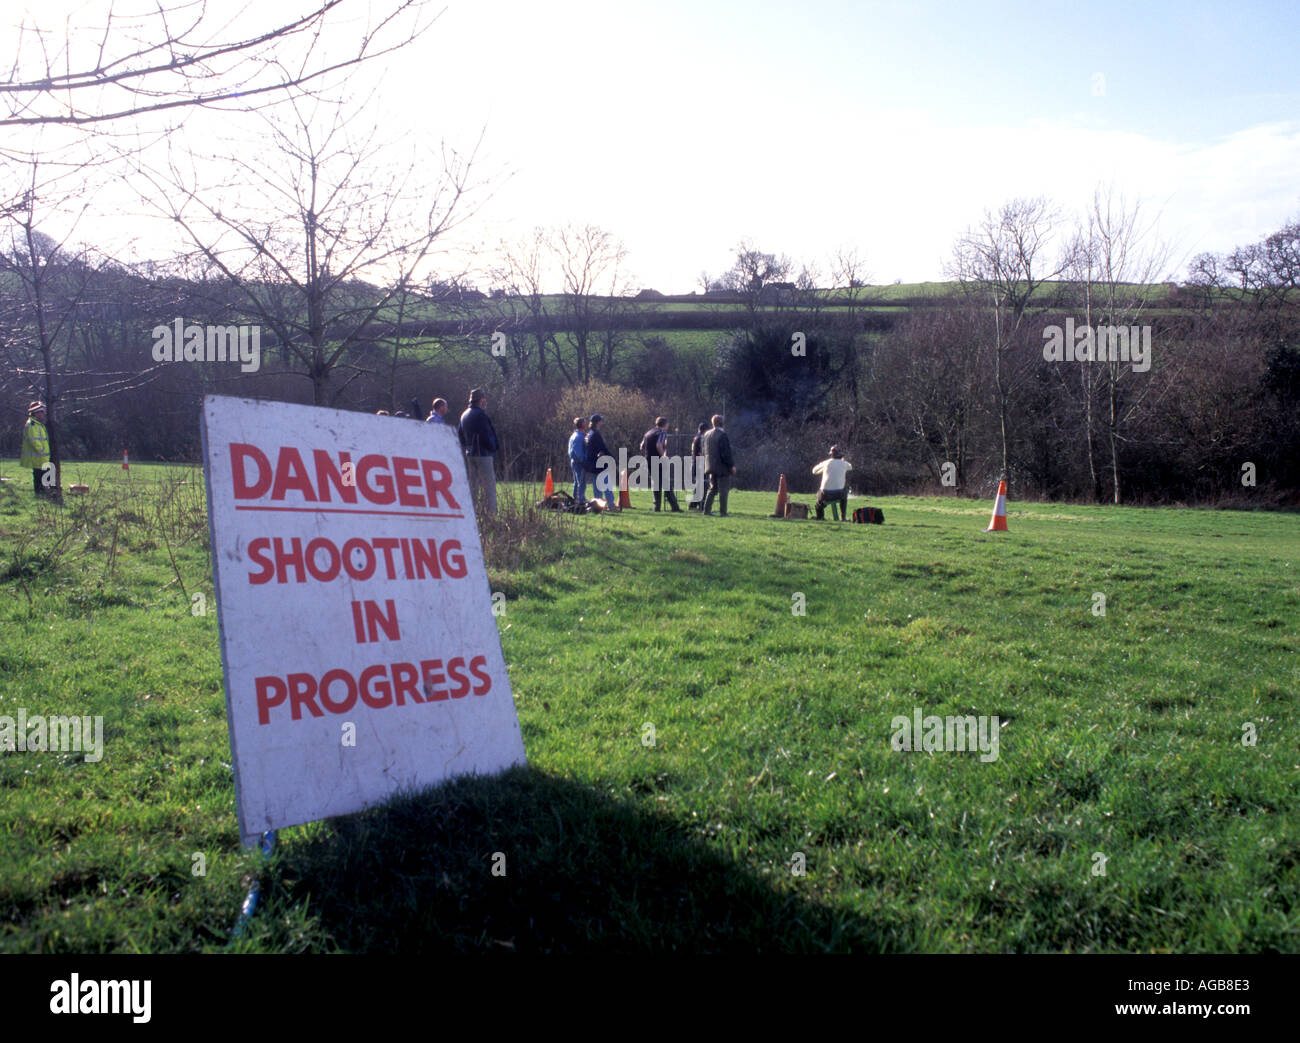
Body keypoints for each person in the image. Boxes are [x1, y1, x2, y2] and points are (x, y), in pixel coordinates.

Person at [458, 388, 499, 515]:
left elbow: (460, 435)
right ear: (481, 400)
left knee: (473, 487)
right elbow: (486, 435)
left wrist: (467, 447)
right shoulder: (481, 415)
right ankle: (491, 515)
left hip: (470, 454)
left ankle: (472, 514)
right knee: (489, 486)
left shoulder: (464, 415)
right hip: (483, 454)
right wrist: (493, 447)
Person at [640, 416, 682, 512]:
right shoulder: (662, 432)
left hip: (649, 460)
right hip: (659, 460)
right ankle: (675, 507)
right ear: (665, 424)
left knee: (656, 484)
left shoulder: (648, 433)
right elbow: (659, 444)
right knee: (666, 483)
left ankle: (657, 507)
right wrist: (663, 455)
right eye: (667, 424)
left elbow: (641, 446)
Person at [701, 414, 735, 517]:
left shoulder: (706, 434)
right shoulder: (722, 435)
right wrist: (731, 465)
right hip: (722, 467)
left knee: (712, 489)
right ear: (722, 423)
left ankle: (706, 511)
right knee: (723, 490)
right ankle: (723, 512)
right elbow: (725, 453)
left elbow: (703, 450)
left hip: (710, 465)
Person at [584, 413, 616, 510]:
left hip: (592, 463)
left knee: (597, 486)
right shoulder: (596, 434)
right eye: (601, 421)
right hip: (599, 463)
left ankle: (598, 505)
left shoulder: (589, 433)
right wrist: (611, 458)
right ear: (597, 423)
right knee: (606, 484)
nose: (602, 423)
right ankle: (611, 505)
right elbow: (602, 448)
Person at [813, 445, 853, 520]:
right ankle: (843, 517)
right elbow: (850, 467)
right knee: (845, 490)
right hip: (839, 494)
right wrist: (844, 461)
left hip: (825, 495)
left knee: (819, 498)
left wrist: (823, 470)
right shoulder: (844, 464)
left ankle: (820, 516)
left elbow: (814, 471)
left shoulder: (826, 463)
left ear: (831, 454)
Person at [21, 401, 51, 498]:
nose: (44, 414)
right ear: (36, 413)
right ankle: (40, 495)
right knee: (39, 477)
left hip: (42, 457)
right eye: (42, 412)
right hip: (38, 457)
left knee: (44, 477)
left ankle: (43, 494)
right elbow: (34, 441)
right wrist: (42, 451)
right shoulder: (32, 425)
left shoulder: (37, 424)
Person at [687, 421, 708, 510]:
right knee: (703, 485)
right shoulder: (701, 438)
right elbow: (701, 453)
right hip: (700, 464)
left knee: (699, 485)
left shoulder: (696, 437)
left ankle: (693, 505)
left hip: (695, 463)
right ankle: (701, 505)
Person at [567, 416, 589, 502]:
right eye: (584, 422)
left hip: (574, 461)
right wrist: (583, 460)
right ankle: (581, 499)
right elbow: (578, 451)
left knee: (577, 481)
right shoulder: (579, 437)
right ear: (582, 424)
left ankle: (575, 498)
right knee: (581, 482)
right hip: (579, 462)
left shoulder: (574, 435)